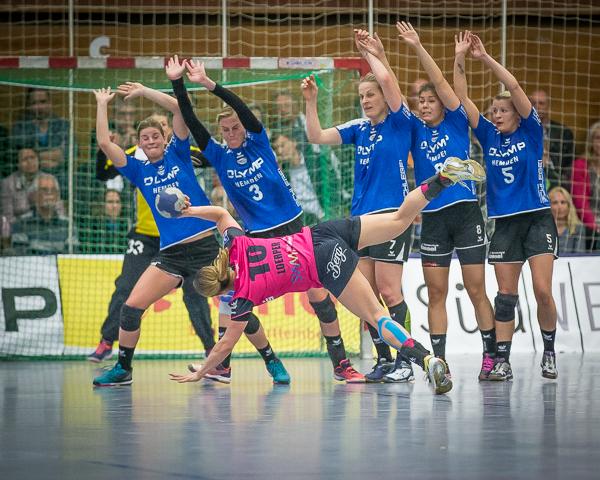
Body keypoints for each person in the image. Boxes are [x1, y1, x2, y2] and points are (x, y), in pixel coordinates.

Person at [168, 156, 487, 395]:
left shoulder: (241, 300)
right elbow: (221, 213)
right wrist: (188, 211)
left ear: (218, 292)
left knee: (377, 316)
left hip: (322, 263)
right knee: (401, 220)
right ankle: (444, 177)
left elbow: (224, 347)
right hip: (320, 233)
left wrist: (201, 373)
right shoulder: (234, 246)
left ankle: (425, 359)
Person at [170, 57, 362, 383]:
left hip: (292, 226)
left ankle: (341, 363)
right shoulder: (217, 154)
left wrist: (208, 83)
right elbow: (189, 117)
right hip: (255, 237)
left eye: (235, 127)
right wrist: (178, 82)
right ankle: (266, 360)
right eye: (226, 130)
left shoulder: (258, 140)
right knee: (239, 305)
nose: (231, 132)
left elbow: (239, 106)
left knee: (320, 297)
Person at [303, 29, 415, 384]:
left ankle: (407, 360)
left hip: (393, 216)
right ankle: (384, 359)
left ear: (386, 96)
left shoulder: (400, 121)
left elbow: (385, 76)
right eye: (361, 96)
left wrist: (372, 52)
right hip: (361, 221)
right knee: (363, 294)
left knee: (389, 290)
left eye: (371, 94)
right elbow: (316, 137)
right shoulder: (359, 128)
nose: (365, 100)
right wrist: (310, 100)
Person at [454, 31, 559, 381]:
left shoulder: (531, 130)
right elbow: (461, 99)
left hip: (537, 219)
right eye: (493, 111)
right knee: (505, 296)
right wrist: (460, 58)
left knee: (543, 291)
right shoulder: (488, 136)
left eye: (502, 110)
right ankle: (503, 361)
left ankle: (548, 350)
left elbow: (513, 86)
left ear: (517, 113)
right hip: (504, 223)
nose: (496, 114)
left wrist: (484, 59)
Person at [396, 23, 496, 380]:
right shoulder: (413, 129)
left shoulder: (456, 119)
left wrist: (421, 48)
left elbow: (443, 83)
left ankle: (492, 358)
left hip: (466, 215)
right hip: (433, 218)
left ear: (442, 103)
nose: (424, 104)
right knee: (436, 294)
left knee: (475, 289)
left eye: (430, 100)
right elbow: (395, 98)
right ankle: (440, 363)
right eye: (419, 101)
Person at [88, 111, 217, 365]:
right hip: (146, 236)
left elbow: (213, 158)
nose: (151, 138)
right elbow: (103, 174)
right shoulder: (136, 154)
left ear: (167, 131)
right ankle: (106, 341)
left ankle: (211, 349)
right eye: (146, 135)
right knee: (126, 288)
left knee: (195, 294)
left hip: (185, 237)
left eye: (160, 129)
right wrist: (103, 146)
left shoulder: (180, 152)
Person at [10, 88, 72, 198]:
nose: (39, 107)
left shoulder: (63, 125)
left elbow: (70, 153)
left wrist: (35, 157)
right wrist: (52, 156)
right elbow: (19, 157)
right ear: (28, 106)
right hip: (29, 179)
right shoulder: (19, 127)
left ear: (50, 103)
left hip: (60, 177)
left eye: (43, 102)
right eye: (34, 103)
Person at [11, 173, 78, 255]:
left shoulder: (68, 225)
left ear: (57, 196)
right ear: (34, 195)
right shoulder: (21, 223)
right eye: (44, 190)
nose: (49, 194)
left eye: (53, 190)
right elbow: (20, 256)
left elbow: (72, 256)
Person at [272, 130, 325, 224]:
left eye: (282, 145)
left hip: (322, 214)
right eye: (276, 148)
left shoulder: (315, 161)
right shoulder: (283, 171)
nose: (280, 151)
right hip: (302, 219)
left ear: (294, 142)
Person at [530, 89, 575, 180]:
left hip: (556, 179)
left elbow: (569, 164)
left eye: (541, 103)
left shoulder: (564, 132)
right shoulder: (522, 130)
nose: (537, 106)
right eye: (533, 103)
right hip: (529, 177)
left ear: (548, 106)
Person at [571, 121, 600, 244]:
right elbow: (581, 203)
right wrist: (595, 227)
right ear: (591, 141)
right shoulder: (580, 166)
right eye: (598, 138)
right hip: (589, 227)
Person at [79, 189, 130, 254]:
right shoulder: (93, 227)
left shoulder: (127, 226)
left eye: (117, 202)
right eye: (110, 202)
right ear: (103, 204)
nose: (115, 206)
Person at [548, 186, 586, 254]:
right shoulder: (542, 228)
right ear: (549, 206)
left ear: (569, 205)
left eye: (563, 202)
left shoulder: (578, 228)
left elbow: (580, 257)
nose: (560, 207)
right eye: (555, 203)